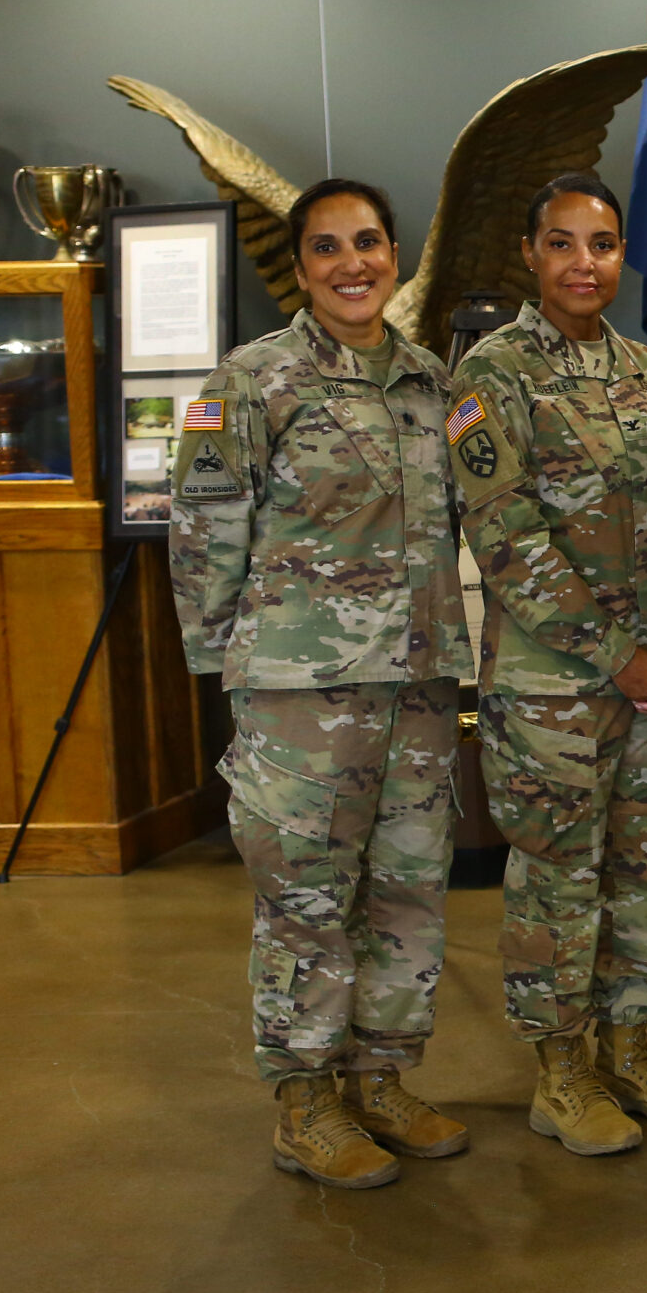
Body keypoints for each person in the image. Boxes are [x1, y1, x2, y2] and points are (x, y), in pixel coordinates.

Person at [169, 177, 472, 1190]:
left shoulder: (431, 380)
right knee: (305, 901)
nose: (354, 264)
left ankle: (380, 1080)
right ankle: (304, 1103)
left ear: (395, 254)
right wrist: (234, 675)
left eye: (370, 243)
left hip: (421, 688)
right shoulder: (251, 383)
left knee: (408, 893)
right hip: (302, 696)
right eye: (330, 248)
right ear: (300, 269)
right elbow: (205, 533)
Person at [448, 172, 647, 1158]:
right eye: (561, 243)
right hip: (554, 688)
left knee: (641, 868)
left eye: (601, 244)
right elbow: (505, 535)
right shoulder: (492, 376)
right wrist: (620, 659)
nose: (583, 263)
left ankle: (630, 1048)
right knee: (560, 879)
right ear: (530, 254)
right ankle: (560, 1074)